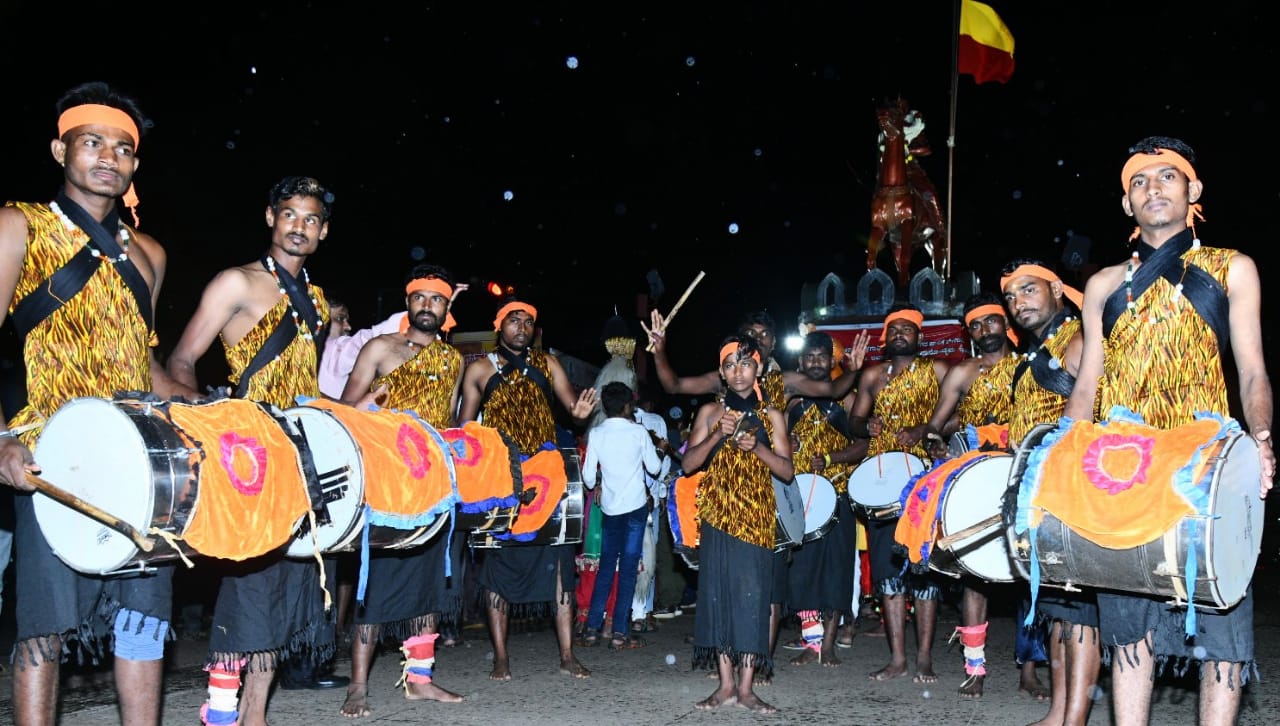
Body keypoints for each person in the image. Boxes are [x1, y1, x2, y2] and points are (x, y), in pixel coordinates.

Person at [0, 80, 203, 726]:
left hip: (135, 454)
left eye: (122, 148)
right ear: (61, 149)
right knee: (44, 625)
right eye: (92, 143)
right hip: (47, 449)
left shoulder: (149, 254)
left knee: (144, 613)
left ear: (135, 165)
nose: (107, 158)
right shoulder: (17, 225)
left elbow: (142, 360)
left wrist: (209, 413)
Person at [1063, 136, 1274, 726]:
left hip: (1206, 461)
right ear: (1126, 204)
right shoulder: (1104, 285)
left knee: (1221, 618)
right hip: (1120, 466)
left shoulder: (1232, 268)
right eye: (1139, 181)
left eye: (1167, 177)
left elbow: (1253, 371)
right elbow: (1087, 387)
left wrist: (1260, 439)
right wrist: (1061, 455)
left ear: (1193, 191)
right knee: (1128, 624)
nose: (1153, 188)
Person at [166, 175, 347, 726]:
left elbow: (304, 384)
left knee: (290, 581)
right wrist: (210, 418)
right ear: (271, 218)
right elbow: (180, 361)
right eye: (290, 214)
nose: (300, 226)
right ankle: (220, 707)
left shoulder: (315, 302)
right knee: (248, 581)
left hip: (296, 454)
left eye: (312, 219)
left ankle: (255, 712)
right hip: (247, 450)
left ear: (323, 232)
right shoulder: (236, 283)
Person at [647, 308, 868, 679]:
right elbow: (674, 386)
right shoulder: (720, 394)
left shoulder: (784, 386)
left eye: (765, 336)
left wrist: (854, 370)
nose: (760, 341)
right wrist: (658, 352)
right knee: (723, 589)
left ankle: (757, 665)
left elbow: (831, 389)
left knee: (769, 588)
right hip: (725, 501)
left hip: (771, 499)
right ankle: (730, 669)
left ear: (768, 351)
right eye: (752, 334)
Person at [334, 263, 467, 717]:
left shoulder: (451, 360)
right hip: (387, 482)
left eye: (438, 300)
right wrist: (366, 409)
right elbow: (346, 409)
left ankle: (420, 679)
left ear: (447, 308)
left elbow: (448, 423)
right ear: (408, 302)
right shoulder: (380, 347)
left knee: (431, 585)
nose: (428, 306)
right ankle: (357, 685)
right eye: (421, 298)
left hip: (433, 483)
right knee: (378, 584)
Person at [457, 297, 597, 680]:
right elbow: (465, 427)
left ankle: (567, 655)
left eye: (528, 321)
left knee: (559, 565)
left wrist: (580, 413)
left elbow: (571, 405)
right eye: (513, 320)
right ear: (499, 326)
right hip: (502, 474)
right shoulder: (481, 369)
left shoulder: (547, 363)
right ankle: (501, 657)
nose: (521, 327)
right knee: (497, 567)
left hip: (547, 472)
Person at [917, 292, 1048, 700]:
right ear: (969, 332)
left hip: (1025, 472)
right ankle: (975, 668)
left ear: (1004, 322)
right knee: (975, 573)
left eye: (990, 321)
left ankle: (1029, 670)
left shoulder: (1033, 364)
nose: (984, 330)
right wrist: (938, 444)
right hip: (976, 477)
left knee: (1032, 576)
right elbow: (935, 425)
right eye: (975, 325)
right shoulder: (963, 372)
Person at [1001, 258, 1099, 726]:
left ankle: (1075, 715)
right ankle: (1060, 710)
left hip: (1074, 489)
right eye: (1011, 296)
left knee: (1079, 609)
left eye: (1028, 290)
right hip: (1041, 494)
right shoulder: (1036, 352)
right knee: (1057, 608)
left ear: (1057, 289)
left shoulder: (1079, 339)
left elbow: (1100, 407)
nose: (1018, 302)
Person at [681, 334, 793, 714]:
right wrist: (718, 435)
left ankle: (746, 688)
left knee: (752, 599)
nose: (738, 372)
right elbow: (688, 465)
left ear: (758, 368)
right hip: (716, 515)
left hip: (757, 517)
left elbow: (787, 471)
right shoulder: (710, 414)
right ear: (722, 373)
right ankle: (725, 685)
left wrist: (757, 448)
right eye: (730, 365)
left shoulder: (773, 415)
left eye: (745, 363)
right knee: (717, 598)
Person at [847, 303, 950, 683]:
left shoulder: (938, 371)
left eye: (908, 329)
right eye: (894, 330)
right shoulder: (873, 375)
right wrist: (866, 425)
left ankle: (924, 657)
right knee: (889, 575)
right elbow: (853, 419)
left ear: (919, 337)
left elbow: (956, 413)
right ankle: (897, 659)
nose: (900, 335)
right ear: (885, 337)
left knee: (922, 571)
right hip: (881, 480)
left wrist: (924, 429)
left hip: (924, 479)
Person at [783, 332, 867, 667]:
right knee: (803, 572)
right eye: (811, 357)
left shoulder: (847, 399)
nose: (817, 362)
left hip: (838, 494)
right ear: (801, 362)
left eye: (823, 357)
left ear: (833, 362)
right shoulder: (789, 401)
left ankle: (829, 643)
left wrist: (833, 458)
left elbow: (864, 446)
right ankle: (812, 641)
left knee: (837, 570)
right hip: (799, 498)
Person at [578, 381, 664, 649]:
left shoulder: (597, 434)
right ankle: (619, 633)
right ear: (629, 406)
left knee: (606, 568)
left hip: (611, 510)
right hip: (636, 509)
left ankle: (592, 629)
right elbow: (654, 467)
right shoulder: (638, 433)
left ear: (603, 406)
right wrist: (658, 449)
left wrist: (604, 480)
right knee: (627, 569)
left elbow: (589, 479)